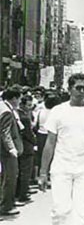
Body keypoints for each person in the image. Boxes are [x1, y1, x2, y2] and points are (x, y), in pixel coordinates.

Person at [38, 73, 84, 225]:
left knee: (82, 212)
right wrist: (43, 172)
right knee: (61, 210)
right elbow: (50, 143)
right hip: (62, 167)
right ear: (70, 89)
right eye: (78, 88)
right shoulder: (58, 111)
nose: (82, 91)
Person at [0, 86, 24, 216]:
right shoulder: (7, 112)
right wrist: (11, 148)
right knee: (10, 177)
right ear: (14, 98)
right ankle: (6, 206)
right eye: (19, 99)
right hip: (6, 152)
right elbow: (5, 132)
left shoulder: (3, 106)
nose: (20, 101)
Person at [16, 95, 37, 203]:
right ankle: (23, 194)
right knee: (26, 172)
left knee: (20, 170)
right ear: (22, 105)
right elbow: (28, 133)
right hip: (27, 146)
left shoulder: (17, 114)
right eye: (28, 105)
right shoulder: (24, 117)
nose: (30, 107)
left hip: (19, 145)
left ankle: (18, 192)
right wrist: (34, 142)